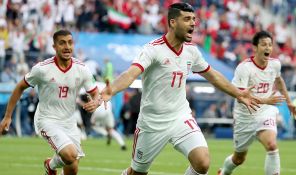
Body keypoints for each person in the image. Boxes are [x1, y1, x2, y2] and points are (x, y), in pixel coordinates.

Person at [101, 3, 259, 175]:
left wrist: (238, 93)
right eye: (187, 19)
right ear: (173, 22)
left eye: (193, 19)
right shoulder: (153, 49)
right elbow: (131, 74)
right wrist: (111, 90)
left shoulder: (191, 51)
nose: (192, 23)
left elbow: (212, 75)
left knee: (202, 162)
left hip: (180, 116)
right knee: (138, 173)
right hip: (152, 122)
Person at [0, 29, 101, 175]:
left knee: (72, 166)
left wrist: (96, 102)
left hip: (69, 122)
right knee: (70, 155)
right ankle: (51, 165)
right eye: (62, 43)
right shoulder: (42, 69)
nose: (67, 47)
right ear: (54, 47)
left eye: (70, 43)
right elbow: (19, 87)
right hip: (47, 120)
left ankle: (51, 166)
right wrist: (8, 116)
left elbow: (95, 93)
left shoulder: (82, 69)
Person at [217, 31, 296, 175]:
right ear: (255, 47)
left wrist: (289, 101)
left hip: (265, 111)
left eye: (270, 45)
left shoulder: (275, 64)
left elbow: (279, 81)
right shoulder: (244, 68)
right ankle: (223, 172)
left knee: (272, 145)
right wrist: (266, 100)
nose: (267, 48)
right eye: (263, 45)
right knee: (239, 159)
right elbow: (240, 96)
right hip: (244, 116)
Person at [91, 82, 127, 150]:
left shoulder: (92, 85)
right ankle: (122, 144)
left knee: (93, 125)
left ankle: (106, 134)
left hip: (99, 109)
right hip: (108, 109)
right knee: (111, 129)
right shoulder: (105, 86)